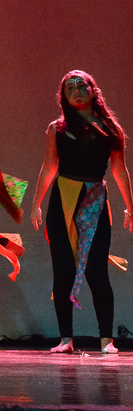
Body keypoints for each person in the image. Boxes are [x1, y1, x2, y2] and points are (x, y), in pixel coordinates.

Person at [30, 70, 133, 354]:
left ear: (92, 90)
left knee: (96, 272)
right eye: (69, 87)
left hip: (95, 200)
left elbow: (119, 170)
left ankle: (106, 341)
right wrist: (36, 204)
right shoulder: (57, 129)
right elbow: (49, 166)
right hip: (63, 199)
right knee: (63, 271)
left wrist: (130, 207)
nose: (76, 90)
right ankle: (66, 339)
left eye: (81, 85)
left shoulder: (110, 129)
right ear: (63, 96)